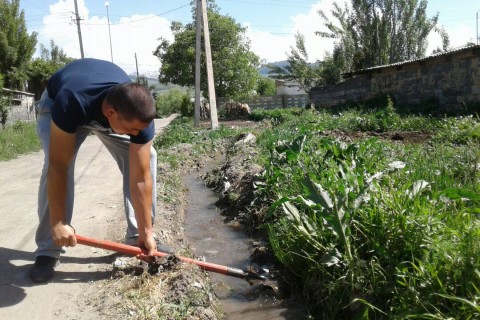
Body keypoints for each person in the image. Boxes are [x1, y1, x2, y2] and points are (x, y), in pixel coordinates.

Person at [30, 58, 169, 283]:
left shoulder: (138, 114)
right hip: (59, 103)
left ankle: (138, 237)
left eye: (139, 130)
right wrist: (58, 222)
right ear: (111, 113)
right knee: (54, 165)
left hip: (108, 110)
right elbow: (59, 167)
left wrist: (147, 230)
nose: (135, 134)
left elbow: (141, 178)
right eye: (131, 130)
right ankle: (48, 248)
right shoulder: (71, 102)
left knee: (148, 157)